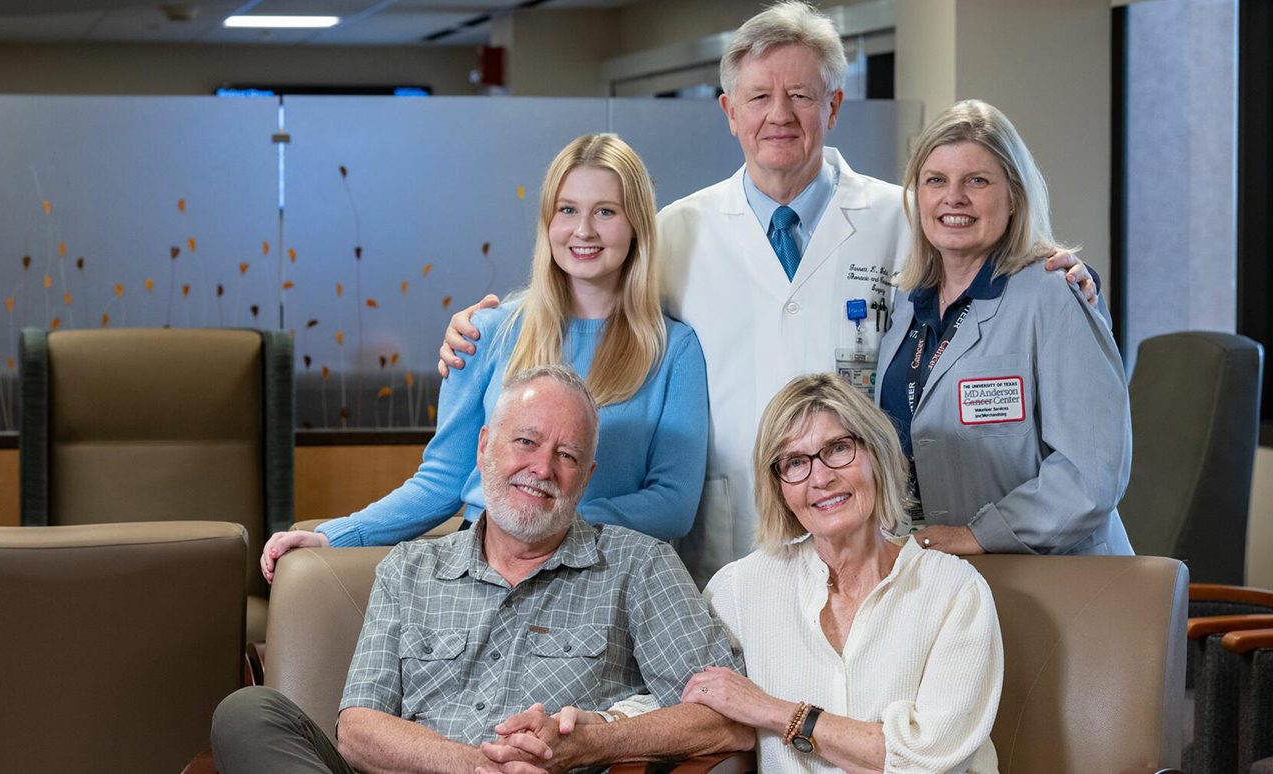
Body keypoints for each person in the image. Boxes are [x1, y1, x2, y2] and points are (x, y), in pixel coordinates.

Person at [437, 1, 1095, 587]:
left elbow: (985, 262)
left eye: (802, 96)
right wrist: (484, 325)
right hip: (730, 537)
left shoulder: (904, 220)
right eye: (757, 98)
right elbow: (588, 304)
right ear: (729, 112)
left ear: (834, 105)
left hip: (873, 533)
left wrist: (1055, 266)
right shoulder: (674, 235)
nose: (779, 115)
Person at [213, 366, 750, 774]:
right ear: (485, 447)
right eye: (526, 442)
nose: (542, 468)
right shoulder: (409, 568)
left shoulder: (640, 565)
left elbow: (729, 719)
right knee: (247, 713)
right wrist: (471, 764)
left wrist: (595, 740)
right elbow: (356, 729)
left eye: (566, 455)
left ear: (585, 477)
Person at [260, 134, 709, 579]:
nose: (583, 230)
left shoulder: (674, 350)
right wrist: (335, 535)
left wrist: (545, 517)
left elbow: (672, 503)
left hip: (601, 570)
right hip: (483, 564)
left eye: (605, 212)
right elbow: (441, 482)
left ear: (636, 226)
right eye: (567, 210)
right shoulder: (487, 332)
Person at [682, 373, 1003, 772]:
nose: (820, 477)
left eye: (838, 449)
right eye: (795, 462)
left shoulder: (955, 591)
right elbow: (675, 692)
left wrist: (775, 712)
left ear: (877, 454)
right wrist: (605, 724)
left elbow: (927, 758)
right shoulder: (741, 587)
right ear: (779, 486)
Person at [876, 100, 1133, 557]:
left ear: (1013, 196)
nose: (953, 197)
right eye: (936, 180)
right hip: (944, 578)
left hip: (1055, 582)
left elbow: (1091, 473)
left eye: (977, 180)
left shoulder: (1055, 294)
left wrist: (975, 536)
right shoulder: (905, 307)